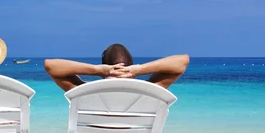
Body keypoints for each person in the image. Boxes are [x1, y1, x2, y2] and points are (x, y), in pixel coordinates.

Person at [44, 43, 189, 92]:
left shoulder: (83, 91)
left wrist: (98, 70)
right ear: (132, 65)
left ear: (105, 65)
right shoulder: (149, 92)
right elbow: (182, 61)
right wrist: (138, 70)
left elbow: (51, 65)